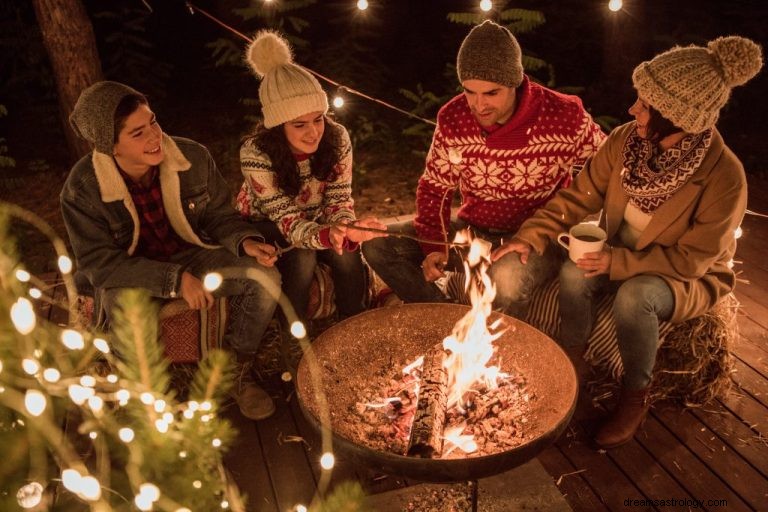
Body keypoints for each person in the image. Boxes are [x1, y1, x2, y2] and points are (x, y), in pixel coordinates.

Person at [492, 36, 763, 448]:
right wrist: (530, 236)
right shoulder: (625, 142)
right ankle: (573, 361)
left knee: (635, 297)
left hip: (683, 274)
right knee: (572, 270)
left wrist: (616, 263)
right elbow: (577, 197)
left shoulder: (724, 177)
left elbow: (693, 260)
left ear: (676, 117)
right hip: (621, 251)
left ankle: (635, 393)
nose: (632, 109)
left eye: (645, 105)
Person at [62, 81, 282, 420]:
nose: (154, 137)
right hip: (130, 271)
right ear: (110, 146)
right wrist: (174, 280)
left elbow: (220, 216)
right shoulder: (82, 190)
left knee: (263, 276)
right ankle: (144, 397)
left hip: (191, 252)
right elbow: (100, 265)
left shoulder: (191, 156)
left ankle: (233, 371)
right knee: (124, 310)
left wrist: (245, 241)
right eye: (137, 133)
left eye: (153, 122)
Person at [362, 20, 605, 318]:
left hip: (536, 237)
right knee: (378, 246)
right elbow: (435, 187)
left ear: (515, 82)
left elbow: (606, 166)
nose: (479, 105)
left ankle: (500, 333)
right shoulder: (454, 118)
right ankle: (445, 318)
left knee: (505, 280)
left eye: (491, 93)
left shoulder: (562, 115)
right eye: (469, 92)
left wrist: (569, 217)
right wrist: (434, 245)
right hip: (474, 231)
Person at [236, 31, 386, 328]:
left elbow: (339, 197)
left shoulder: (337, 138)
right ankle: (293, 332)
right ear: (278, 125)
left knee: (344, 253)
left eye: (318, 119)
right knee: (304, 255)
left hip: (315, 219)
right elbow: (285, 218)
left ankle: (354, 324)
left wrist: (345, 226)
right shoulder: (256, 152)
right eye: (299, 124)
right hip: (266, 224)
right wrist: (326, 235)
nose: (313, 132)